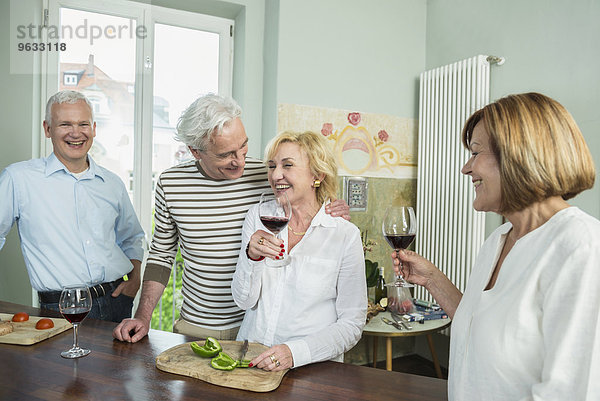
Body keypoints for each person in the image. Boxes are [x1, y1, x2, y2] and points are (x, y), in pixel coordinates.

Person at [392, 92, 599, 400]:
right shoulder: (499, 239)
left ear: (519, 154)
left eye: (475, 152)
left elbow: (572, 391)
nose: (466, 168)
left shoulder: (581, 247)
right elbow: (477, 324)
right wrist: (432, 279)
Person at [113, 94, 349, 342]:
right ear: (196, 151)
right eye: (226, 154)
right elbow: (162, 255)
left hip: (256, 327)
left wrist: (333, 209)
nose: (240, 162)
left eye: (244, 147)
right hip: (197, 325)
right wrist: (143, 316)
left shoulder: (268, 175)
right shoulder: (171, 183)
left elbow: (308, 205)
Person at [0, 90, 145, 322]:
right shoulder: (18, 179)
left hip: (117, 300)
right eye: (65, 124)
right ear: (47, 129)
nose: (76, 133)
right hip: (59, 309)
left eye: (83, 124)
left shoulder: (112, 183)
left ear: (94, 129)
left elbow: (132, 237)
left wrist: (135, 278)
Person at [232, 130, 367, 371]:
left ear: (317, 174)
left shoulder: (344, 234)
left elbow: (352, 324)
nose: (275, 175)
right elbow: (243, 301)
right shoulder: (258, 216)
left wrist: (294, 353)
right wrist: (251, 257)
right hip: (252, 359)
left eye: (288, 165)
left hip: (311, 367)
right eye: (272, 166)